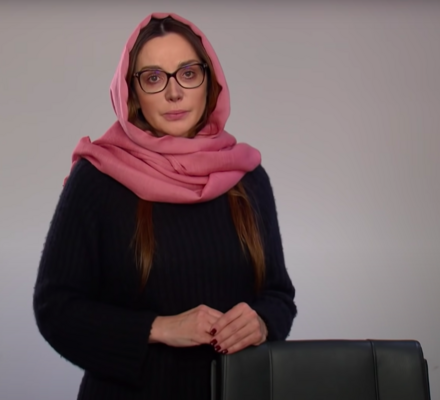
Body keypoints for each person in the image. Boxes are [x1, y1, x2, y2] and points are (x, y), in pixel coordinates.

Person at [33, 12, 297, 400]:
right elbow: (55, 308)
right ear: (131, 92)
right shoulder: (97, 178)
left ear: (210, 82)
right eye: (154, 78)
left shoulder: (247, 178)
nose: (174, 93)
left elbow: (278, 296)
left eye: (188, 73)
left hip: (234, 391)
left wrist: (261, 322)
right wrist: (159, 328)